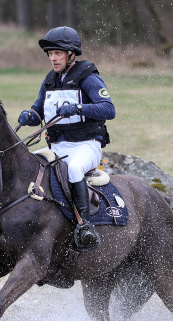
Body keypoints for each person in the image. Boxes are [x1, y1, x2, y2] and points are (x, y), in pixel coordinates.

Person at [18, 26, 115, 251]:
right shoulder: (50, 80)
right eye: (50, 54)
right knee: (26, 166)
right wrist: (29, 116)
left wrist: (79, 108)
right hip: (58, 146)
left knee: (73, 169)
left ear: (71, 54)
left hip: (87, 145)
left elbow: (109, 109)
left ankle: (85, 226)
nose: (53, 58)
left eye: (57, 53)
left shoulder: (88, 77)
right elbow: (38, 112)